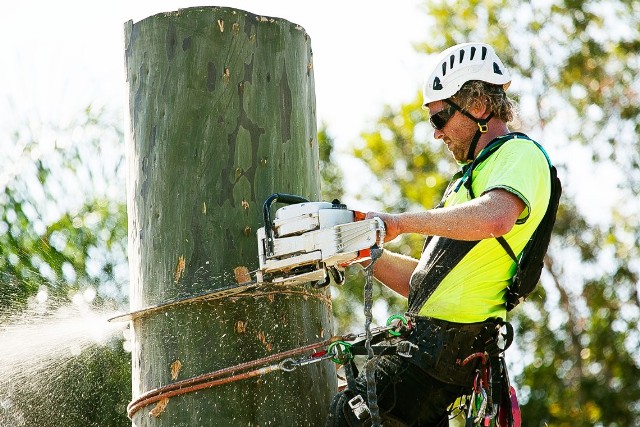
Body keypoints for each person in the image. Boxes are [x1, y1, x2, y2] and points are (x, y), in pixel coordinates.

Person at [326, 42, 552, 426]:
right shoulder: (471, 178)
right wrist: (363, 250)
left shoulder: (518, 155)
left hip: (442, 354)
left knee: (351, 413)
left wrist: (399, 222)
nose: (437, 134)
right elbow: (425, 285)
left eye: (440, 119)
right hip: (431, 355)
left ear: (478, 106)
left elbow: (496, 218)